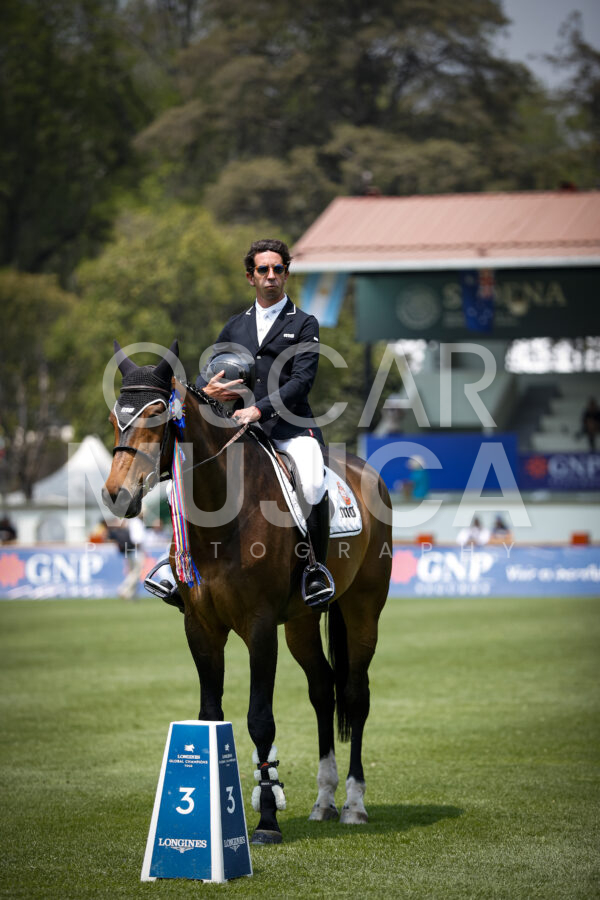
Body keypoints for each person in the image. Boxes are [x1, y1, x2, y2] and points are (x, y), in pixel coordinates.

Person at [197, 238, 334, 607]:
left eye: (278, 269)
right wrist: (205, 389)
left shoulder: (304, 323)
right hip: (240, 433)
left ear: (286, 274)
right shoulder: (234, 326)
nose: (271, 275)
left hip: (290, 430)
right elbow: (210, 372)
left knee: (312, 483)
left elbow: (301, 381)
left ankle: (314, 571)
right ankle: (181, 565)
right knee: (193, 478)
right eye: (263, 269)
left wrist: (259, 410)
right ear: (250, 277)